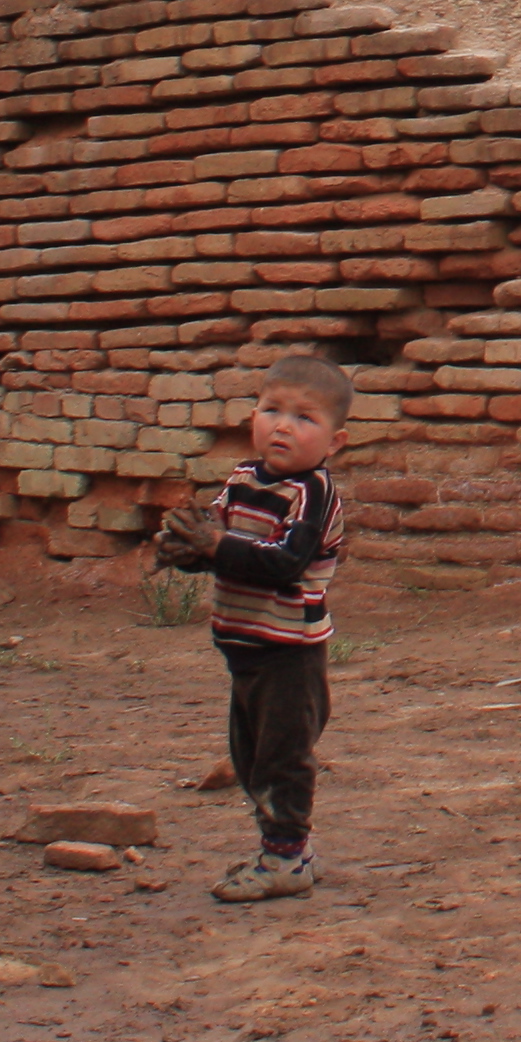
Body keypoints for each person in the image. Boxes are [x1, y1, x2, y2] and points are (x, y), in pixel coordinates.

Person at [155, 356, 356, 902]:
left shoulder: (313, 493)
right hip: (243, 643)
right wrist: (187, 550)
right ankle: (290, 851)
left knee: (282, 756)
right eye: (272, 410)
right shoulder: (243, 479)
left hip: (289, 650)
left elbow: (285, 561)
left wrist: (216, 546)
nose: (283, 425)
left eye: (304, 417)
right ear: (252, 416)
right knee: (249, 757)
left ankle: (285, 859)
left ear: (335, 441)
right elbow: (221, 547)